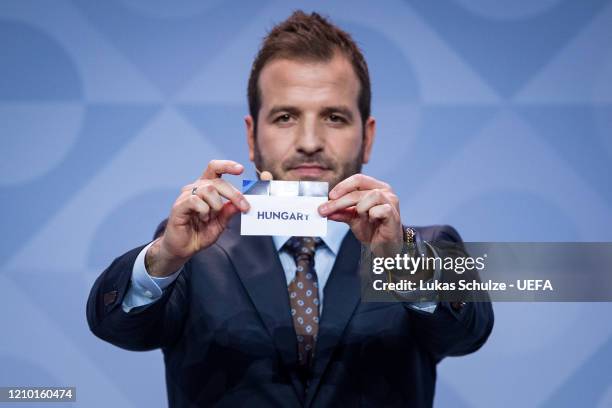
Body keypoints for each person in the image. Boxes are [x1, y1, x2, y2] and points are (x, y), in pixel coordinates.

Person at [87, 10, 493, 407]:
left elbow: (468, 334)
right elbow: (117, 328)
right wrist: (164, 257)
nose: (310, 141)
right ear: (252, 136)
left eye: (334, 117)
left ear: (367, 138)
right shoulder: (191, 256)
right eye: (285, 117)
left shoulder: (425, 246)